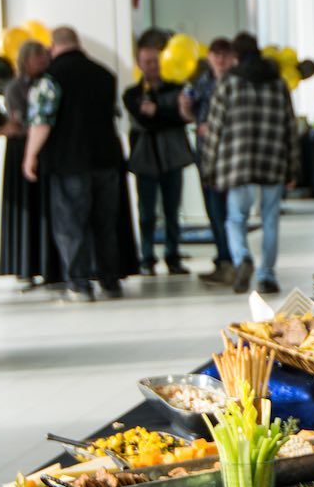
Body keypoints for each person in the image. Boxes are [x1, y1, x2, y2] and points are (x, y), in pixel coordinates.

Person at [22, 27, 131, 301]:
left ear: (53, 46)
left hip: (69, 162)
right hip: (107, 159)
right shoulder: (105, 74)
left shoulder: (50, 78)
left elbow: (42, 121)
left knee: (71, 226)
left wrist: (30, 155)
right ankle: (110, 282)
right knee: (105, 224)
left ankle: (80, 285)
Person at [202, 32, 300, 295]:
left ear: (236, 55)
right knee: (270, 221)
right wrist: (293, 168)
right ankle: (267, 276)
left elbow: (214, 129)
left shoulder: (228, 83)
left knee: (235, 219)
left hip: (238, 165)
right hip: (273, 162)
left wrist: (208, 167)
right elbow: (291, 128)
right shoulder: (278, 83)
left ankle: (242, 258)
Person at [123, 40, 195, 276]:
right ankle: (147, 257)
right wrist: (167, 114)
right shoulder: (132, 94)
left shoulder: (176, 88)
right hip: (145, 160)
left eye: (155, 61)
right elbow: (144, 120)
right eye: (147, 62)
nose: (152, 66)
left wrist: (158, 112)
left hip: (172, 157)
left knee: (172, 210)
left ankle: (172, 256)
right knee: (146, 212)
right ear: (139, 64)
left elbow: (182, 118)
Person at [0, 41, 62, 287]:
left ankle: (51, 265)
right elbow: (20, 121)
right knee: (26, 207)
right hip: (21, 149)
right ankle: (26, 266)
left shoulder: (50, 83)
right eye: (38, 57)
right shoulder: (15, 87)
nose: (43, 61)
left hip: (45, 148)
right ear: (25, 61)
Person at [184, 37, 236, 284]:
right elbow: (189, 113)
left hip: (231, 156)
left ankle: (232, 260)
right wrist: (185, 107)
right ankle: (223, 259)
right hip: (206, 155)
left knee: (230, 212)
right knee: (214, 210)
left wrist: (213, 128)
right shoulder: (201, 82)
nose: (220, 60)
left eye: (224, 55)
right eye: (216, 55)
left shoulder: (237, 83)